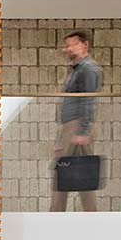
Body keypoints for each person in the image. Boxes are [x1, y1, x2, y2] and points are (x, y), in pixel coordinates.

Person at [51, 29, 101, 214]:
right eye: (66, 46)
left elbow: (89, 100)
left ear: (85, 45)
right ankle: (86, 214)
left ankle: (56, 215)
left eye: (72, 45)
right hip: (70, 126)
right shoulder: (77, 69)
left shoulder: (88, 68)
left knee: (65, 172)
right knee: (76, 174)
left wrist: (82, 131)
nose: (68, 49)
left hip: (76, 125)